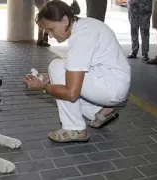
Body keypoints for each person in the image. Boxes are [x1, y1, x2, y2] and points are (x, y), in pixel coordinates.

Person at [23, 0, 131, 143]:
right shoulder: (85, 26)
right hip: (113, 80)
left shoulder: (81, 37)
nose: (49, 35)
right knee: (59, 72)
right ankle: (100, 112)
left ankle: (75, 129)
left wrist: (43, 87)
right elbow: (79, 68)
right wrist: (50, 78)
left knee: (56, 67)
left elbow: (71, 94)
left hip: (111, 88)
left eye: (51, 29)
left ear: (65, 20)